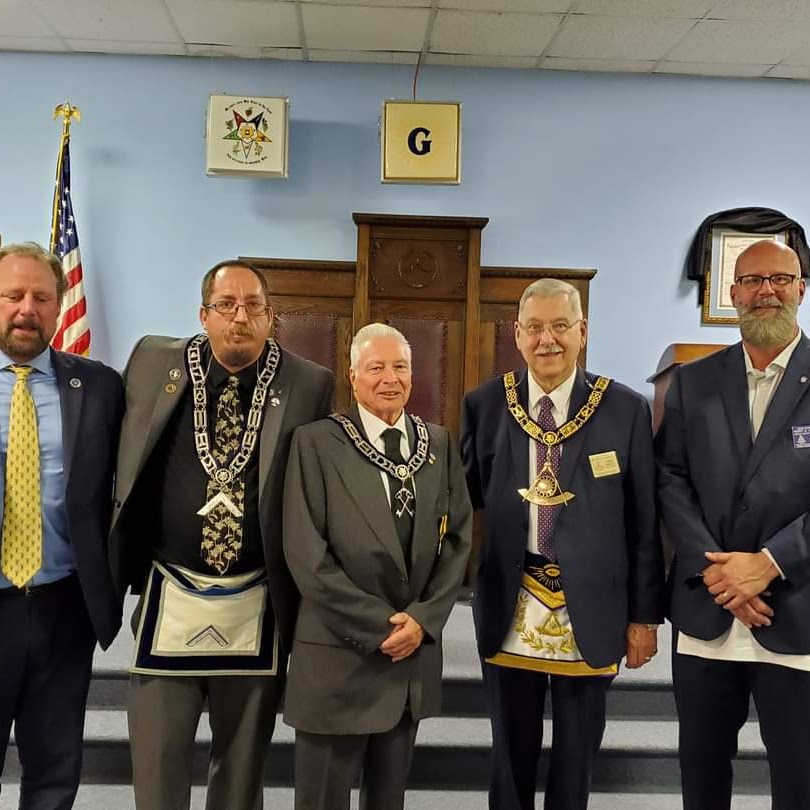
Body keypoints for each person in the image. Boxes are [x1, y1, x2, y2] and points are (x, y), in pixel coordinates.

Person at [108, 260, 334, 810]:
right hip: (170, 591)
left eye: (254, 306)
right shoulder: (151, 362)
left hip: (256, 599)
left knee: (240, 775)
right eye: (227, 305)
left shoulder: (309, 383)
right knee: (158, 768)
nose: (241, 317)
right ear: (203, 314)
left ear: (270, 316)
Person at [461, 277, 664, 810]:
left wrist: (644, 617)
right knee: (509, 753)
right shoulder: (485, 404)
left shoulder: (624, 409)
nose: (546, 339)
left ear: (583, 332)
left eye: (559, 326)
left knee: (576, 758)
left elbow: (644, 522)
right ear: (517, 334)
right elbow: (460, 504)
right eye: (534, 328)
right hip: (511, 600)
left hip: (592, 607)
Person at [282, 322, 472, 810]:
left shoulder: (439, 443)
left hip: (409, 664)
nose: (391, 378)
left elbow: (457, 541)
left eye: (401, 366)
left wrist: (424, 620)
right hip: (338, 659)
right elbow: (307, 554)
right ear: (352, 376)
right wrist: (383, 625)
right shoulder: (316, 444)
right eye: (377, 367)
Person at [656, 239, 810, 810]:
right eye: (752, 280)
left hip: (795, 611)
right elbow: (669, 477)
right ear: (732, 292)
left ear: (801, 288)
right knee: (701, 776)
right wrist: (720, 572)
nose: (765, 290)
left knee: (799, 778)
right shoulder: (693, 382)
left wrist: (767, 564)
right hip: (707, 609)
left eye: (779, 278)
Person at [0, 242, 123, 809]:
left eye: (41, 297)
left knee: (54, 769)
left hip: (63, 604)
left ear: (58, 306)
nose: (27, 308)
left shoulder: (98, 386)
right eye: (13, 295)